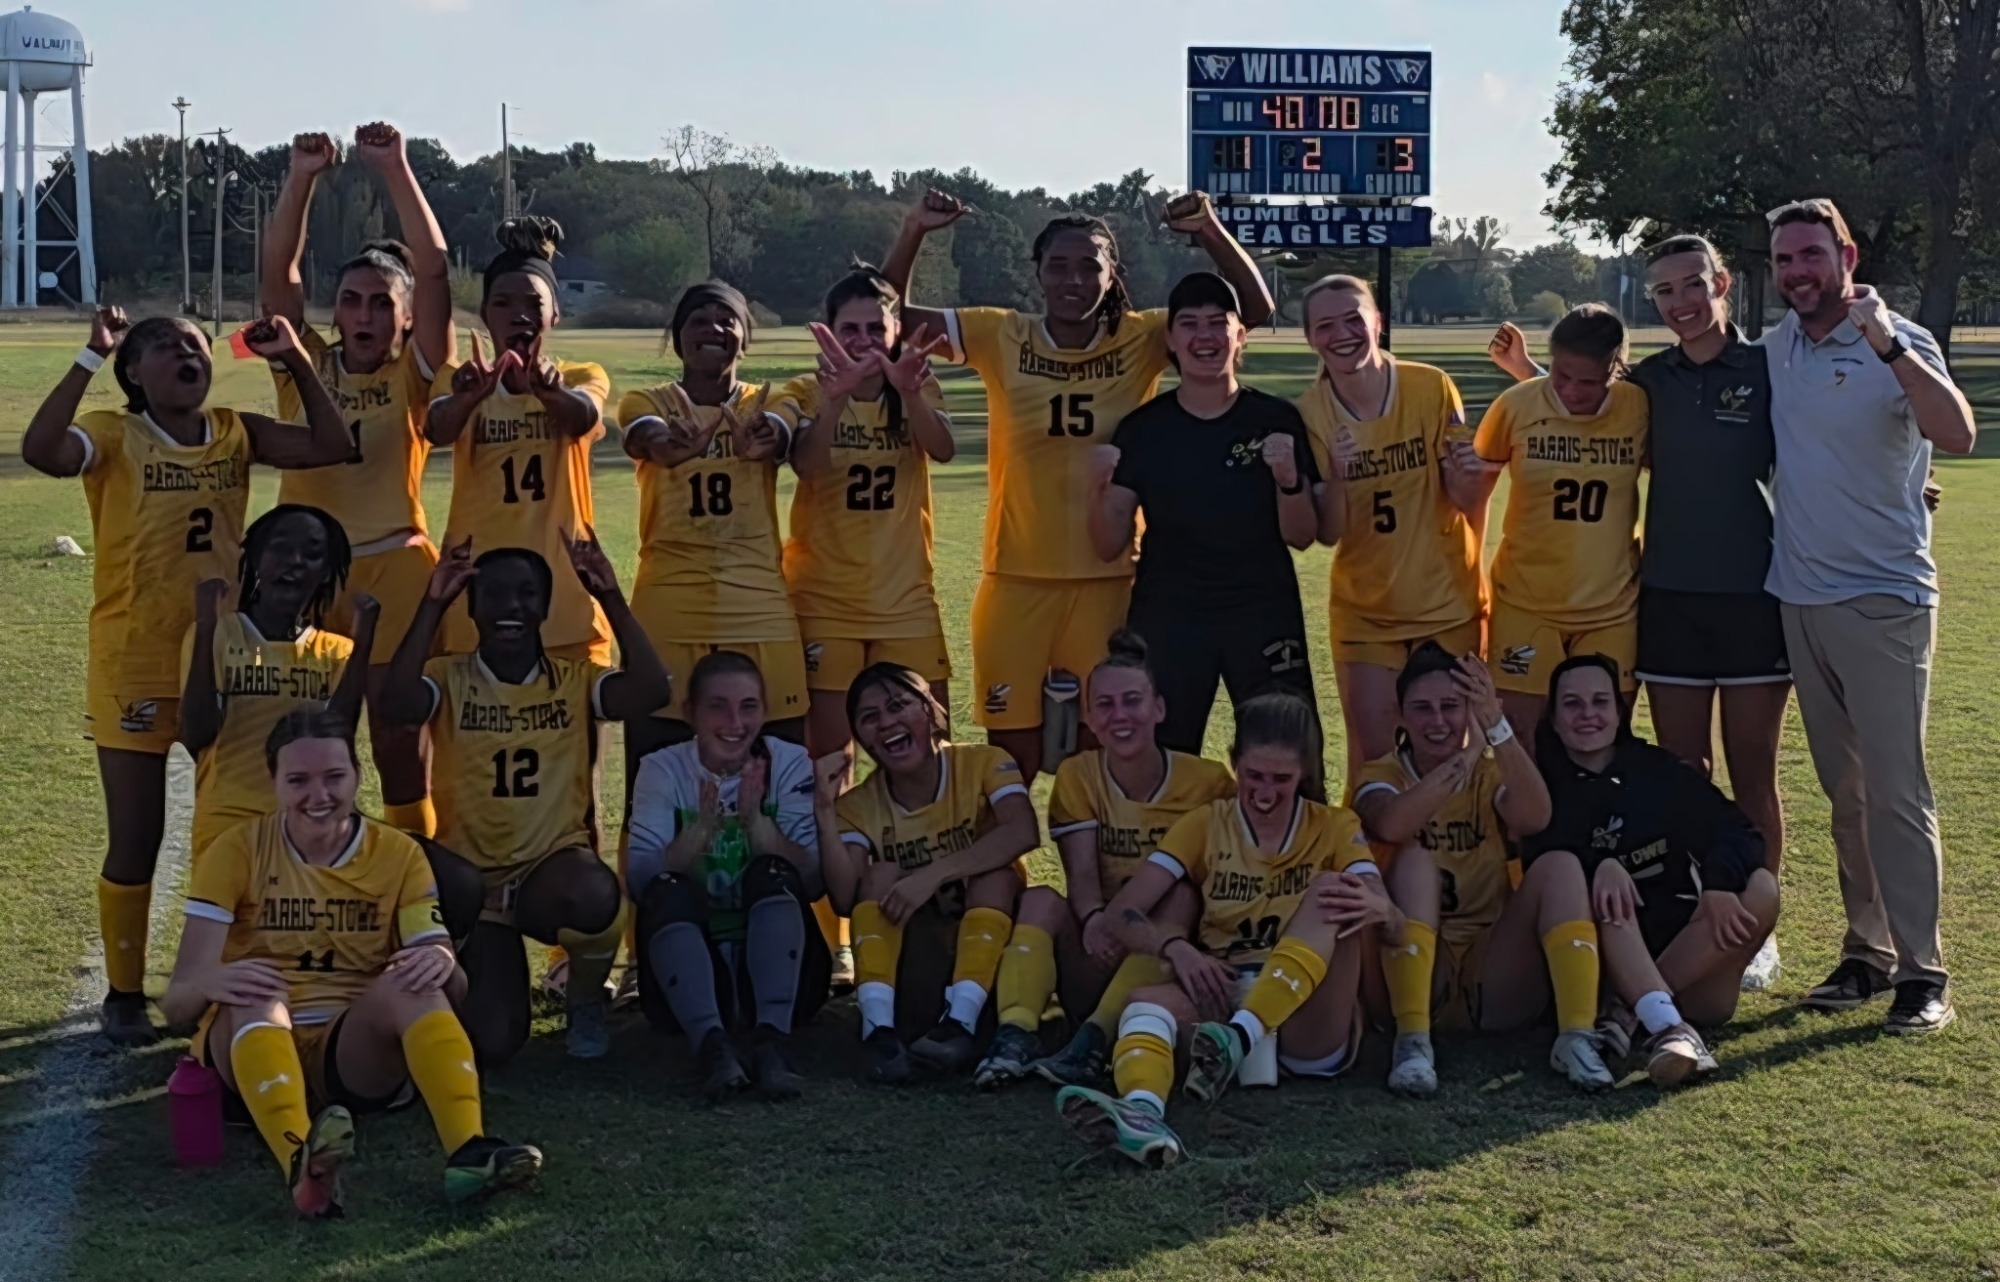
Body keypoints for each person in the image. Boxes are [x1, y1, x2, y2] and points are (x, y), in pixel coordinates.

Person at [20, 305, 356, 1044]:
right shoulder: (114, 434)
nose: (188, 354)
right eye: (165, 346)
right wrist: (88, 354)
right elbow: (40, 448)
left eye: (198, 345)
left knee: (252, 825)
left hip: (230, 657)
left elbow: (333, 442)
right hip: (136, 659)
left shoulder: (236, 431)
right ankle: (122, 991)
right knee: (136, 835)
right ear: (134, 372)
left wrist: (296, 357)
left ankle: (260, 967)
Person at [879, 188, 1274, 778]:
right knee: (1014, 760)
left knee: (1101, 756)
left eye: (1090, 265)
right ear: (1036, 272)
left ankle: (1098, 874)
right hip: (1015, 577)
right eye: (1058, 265)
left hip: (1108, 580)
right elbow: (891, 320)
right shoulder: (999, 334)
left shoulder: (1141, 338)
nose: (1073, 278)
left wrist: (1210, 229)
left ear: (1112, 274)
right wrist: (913, 230)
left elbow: (1254, 311)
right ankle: (1009, 873)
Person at [1489, 236, 1790, 991]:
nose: (1681, 301)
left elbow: (1820, 447)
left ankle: (1750, 933)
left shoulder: (1748, 372)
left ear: (1721, 283)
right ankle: (1555, 908)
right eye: (1664, 290)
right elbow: (1567, 405)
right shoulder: (1642, 383)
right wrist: (1531, 375)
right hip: (1656, 602)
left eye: (1692, 285)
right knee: (1662, 763)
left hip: (1742, 596)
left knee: (1743, 770)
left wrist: (1893, 489)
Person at [162, 708, 541, 1217]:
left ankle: (469, 1151)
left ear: (358, 776)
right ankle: (300, 1162)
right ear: (273, 783)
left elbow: (452, 988)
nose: (318, 796)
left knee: (415, 982)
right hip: (252, 1043)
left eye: (334, 777)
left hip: (352, 1050)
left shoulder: (399, 854)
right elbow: (177, 1003)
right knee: (258, 993)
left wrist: (441, 961)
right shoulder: (237, 851)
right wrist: (214, 979)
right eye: (298, 780)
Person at [1760, 198, 1975, 1034]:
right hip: (1799, 599)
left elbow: (1955, 433)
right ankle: (1866, 952)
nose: (1798, 273)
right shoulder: (1777, 349)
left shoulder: (1898, 337)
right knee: (1844, 794)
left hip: (1885, 599)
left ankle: (1925, 972)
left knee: (1896, 792)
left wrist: (1886, 342)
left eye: (1811, 255)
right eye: (1784, 260)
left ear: (1845, 254)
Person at [1053, 692, 1392, 1169]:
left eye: (1282, 779)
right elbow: (1124, 912)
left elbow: (1388, 913)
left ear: (1306, 775)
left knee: (1332, 890)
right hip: (1226, 991)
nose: (1266, 793)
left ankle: (1242, 1037)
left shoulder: (1334, 825)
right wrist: (1176, 948)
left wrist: (1379, 907)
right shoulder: (1205, 825)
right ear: (1233, 764)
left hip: (1305, 1018)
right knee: (1144, 1004)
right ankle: (1144, 1116)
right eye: (1253, 776)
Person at [378, 532, 672, 1062]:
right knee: (494, 1041)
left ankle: (583, 996)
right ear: (472, 606)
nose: (510, 607)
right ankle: (474, 953)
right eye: (493, 595)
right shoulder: (450, 676)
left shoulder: (575, 680)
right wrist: (432, 601)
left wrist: (608, 595)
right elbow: (397, 704)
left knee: (594, 893)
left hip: (548, 871)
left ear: (544, 606)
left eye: (526, 594)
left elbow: (653, 690)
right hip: (476, 886)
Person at [262, 124, 454, 838]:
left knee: (396, 742)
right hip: (304, 574)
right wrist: (302, 176)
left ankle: (414, 883)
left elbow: (433, 269)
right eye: (351, 300)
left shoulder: (414, 373)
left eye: (381, 303)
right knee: (306, 747)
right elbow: (279, 271)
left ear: (406, 318)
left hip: (394, 567)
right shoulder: (304, 365)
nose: (364, 315)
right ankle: (316, 883)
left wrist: (395, 167)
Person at [1351, 643, 1615, 1098]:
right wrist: (1468, 756)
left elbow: (1536, 817)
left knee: (1561, 867)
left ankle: (1576, 1036)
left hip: (1491, 972)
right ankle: (1412, 1043)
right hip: (1407, 969)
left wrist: (1495, 725)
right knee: (1415, 861)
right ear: (1400, 715)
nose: (1438, 722)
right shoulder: (1380, 774)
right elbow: (1393, 821)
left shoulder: (1491, 774)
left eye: (1451, 707)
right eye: (1423, 709)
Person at [974, 631, 1234, 1088]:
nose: (1120, 716)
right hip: (1098, 945)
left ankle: (1093, 1042)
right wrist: (1094, 918)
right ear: (1089, 718)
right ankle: (1016, 1035)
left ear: (1159, 709)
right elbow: (1081, 873)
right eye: (1106, 705)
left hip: (1167, 957)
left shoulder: (1208, 781)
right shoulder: (1078, 774)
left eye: (1132, 701)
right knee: (1038, 900)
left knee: (1180, 894)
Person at [1087, 271, 1330, 753]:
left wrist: (1288, 480)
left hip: (1263, 611)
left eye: (1218, 323)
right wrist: (1099, 489)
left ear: (1240, 335)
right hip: (1170, 614)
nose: (1205, 337)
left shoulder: (1275, 420)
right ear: (1171, 340)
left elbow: (1302, 536)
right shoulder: (1143, 430)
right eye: (1190, 324)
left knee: (1286, 749)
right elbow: (1106, 545)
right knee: (1162, 753)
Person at [1526, 655, 1779, 1085]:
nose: (1588, 715)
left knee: (1762, 888)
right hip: (1608, 962)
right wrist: (1598, 865)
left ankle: (1628, 1015)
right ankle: (1666, 1027)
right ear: (1552, 716)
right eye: (1572, 703)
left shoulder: (1657, 771)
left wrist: (1717, 886)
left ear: (1620, 712)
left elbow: (1740, 832)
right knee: (1611, 901)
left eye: (1600, 701)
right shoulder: (1543, 787)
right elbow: (1543, 863)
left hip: (1691, 962)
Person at [1296, 276, 1487, 782]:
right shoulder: (1307, 415)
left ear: (1378, 321)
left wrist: (1467, 476)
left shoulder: (1430, 385)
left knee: (1449, 751)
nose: (1342, 334)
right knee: (1373, 760)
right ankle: (1371, 863)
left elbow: (1464, 500)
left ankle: (1458, 862)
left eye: (1354, 319)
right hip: (1367, 611)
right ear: (1310, 337)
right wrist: (1337, 474)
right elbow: (1327, 533)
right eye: (1325, 325)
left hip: (1446, 602)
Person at [816, 664, 1038, 1080]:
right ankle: (877, 1031)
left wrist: (931, 875)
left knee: (996, 874)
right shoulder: (859, 805)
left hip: (992, 953)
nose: (886, 723)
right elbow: (846, 898)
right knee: (879, 875)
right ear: (860, 739)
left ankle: (961, 1024)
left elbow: (1022, 829)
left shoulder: (983, 762)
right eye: (870, 717)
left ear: (931, 711)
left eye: (899, 706)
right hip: (920, 957)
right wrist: (826, 815)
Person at [627, 651, 830, 1101]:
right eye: (717, 706)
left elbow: (812, 880)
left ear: (765, 711)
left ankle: (773, 1041)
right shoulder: (661, 768)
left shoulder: (790, 761)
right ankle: (712, 1047)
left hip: (786, 975)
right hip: (689, 973)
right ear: (690, 713)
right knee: (668, 886)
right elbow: (640, 881)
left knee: (773, 869)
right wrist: (701, 829)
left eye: (749, 707)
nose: (734, 722)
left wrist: (758, 824)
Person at [617, 281, 805, 765]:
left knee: (779, 762)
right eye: (698, 320)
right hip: (669, 602)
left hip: (758, 602)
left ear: (745, 337)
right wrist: (670, 445)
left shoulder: (767, 401)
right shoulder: (648, 401)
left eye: (727, 320)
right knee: (657, 760)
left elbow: (781, 434)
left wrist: (766, 439)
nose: (714, 329)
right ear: (678, 337)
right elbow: (646, 439)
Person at [781, 265, 955, 758]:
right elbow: (807, 466)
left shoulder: (916, 384)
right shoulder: (805, 390)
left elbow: (942, 449)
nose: (863, 340)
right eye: (850, 330)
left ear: (896, 330)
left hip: (906, 602)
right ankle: (841, 840)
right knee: (831, 758)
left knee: (931, 746)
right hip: (825, 602)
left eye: (876, 328)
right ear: (829, 332)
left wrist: (910, 393)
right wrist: (834, 400)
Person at [426, 217, 613, 664]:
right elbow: (437, 428)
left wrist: (549, 391)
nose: (519, 314)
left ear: (554, 314)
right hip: (475, 589)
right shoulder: (461, 380)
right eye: (503, 303)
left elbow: (583, 416)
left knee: (579, 720)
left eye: (534, 303)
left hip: (566, 589)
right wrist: (468, 398)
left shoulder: (580, 376)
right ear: (486, 315)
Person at [1464, 305, 1647, 735]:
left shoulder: (1638, 407)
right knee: (1520, 742)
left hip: (1611, 610)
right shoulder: (1516, 404)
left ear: (1615, 370)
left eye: (1589, 381)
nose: (1571, 391)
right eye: (1561, 376)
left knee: (1604, 743)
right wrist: (1468, 580)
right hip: (1525, 604)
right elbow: (1473, 499)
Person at [180, 504, 374, 857]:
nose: (295, 561)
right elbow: (195, 734)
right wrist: (207, 626)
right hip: (228, 820)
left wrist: (363, 647)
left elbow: (338, 739)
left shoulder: (337, 651)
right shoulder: (219, 635)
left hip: (312, 822)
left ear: (327, 570)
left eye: (312, 553)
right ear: (256, 557)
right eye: (281, 548)